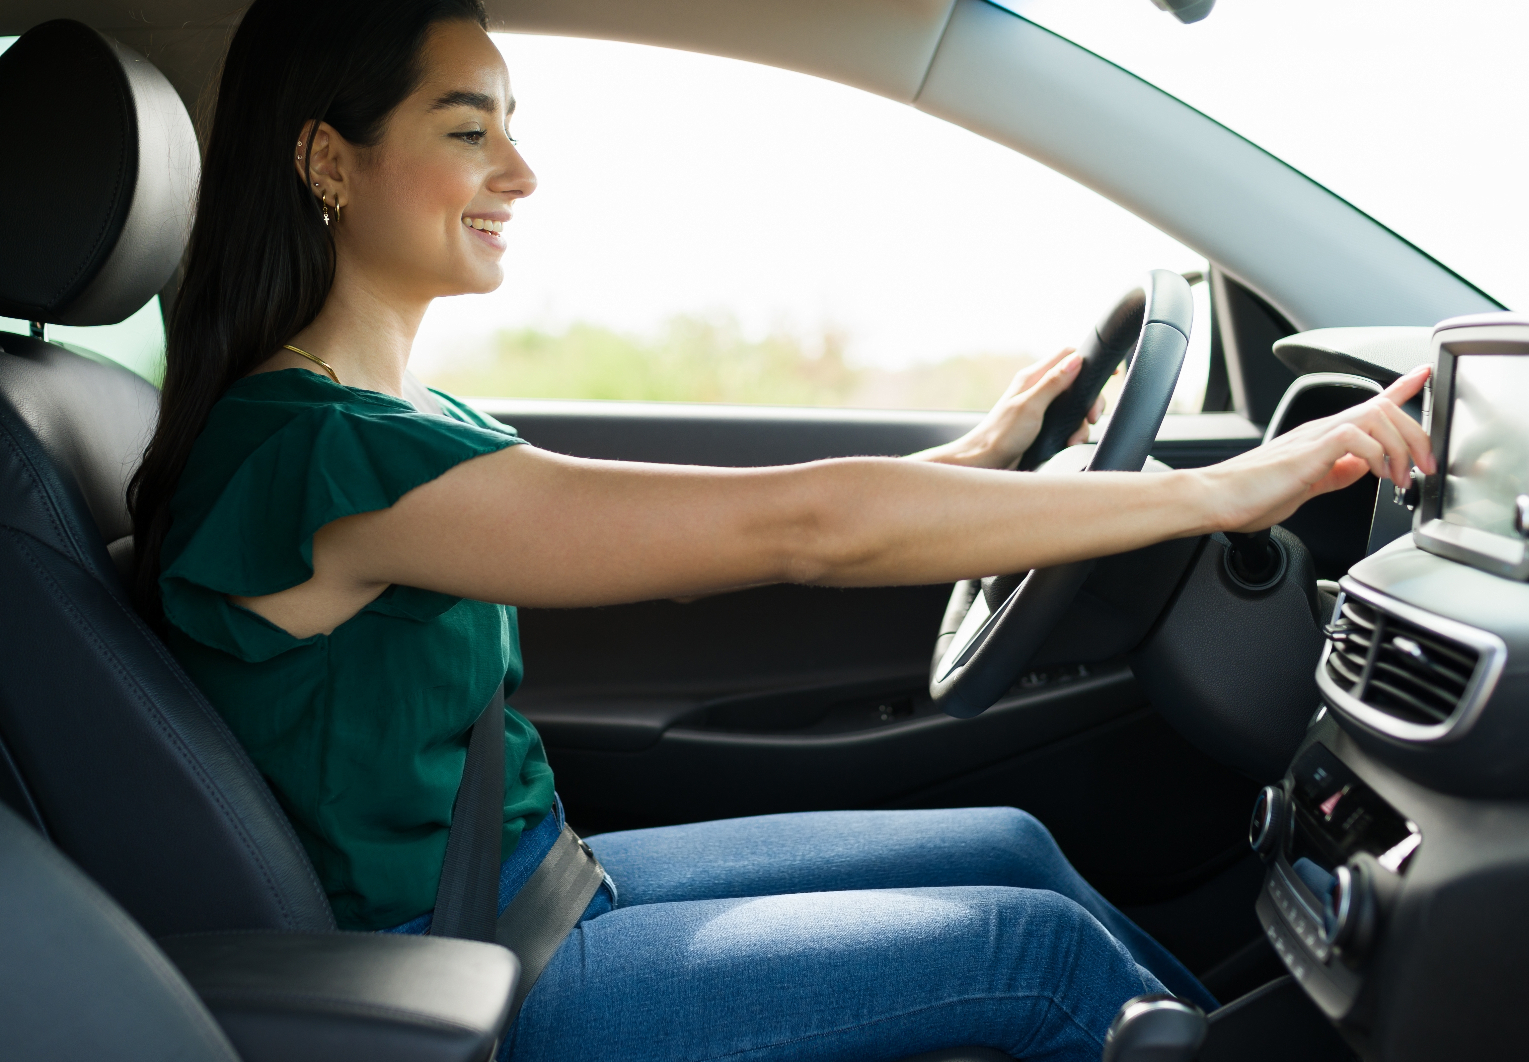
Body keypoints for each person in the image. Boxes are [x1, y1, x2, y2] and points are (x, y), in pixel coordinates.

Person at [127, 2, 1436, 1060]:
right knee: (1036, 955)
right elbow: (799, 527)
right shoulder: (316, 453)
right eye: (469, 131)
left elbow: (669, 535)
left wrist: (968, 463)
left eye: (512, 128)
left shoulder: (394, 415)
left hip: (535, 879)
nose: (521, 172)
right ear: (326, 160)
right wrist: (1224, 492)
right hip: (456, 960)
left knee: (1013, 846)